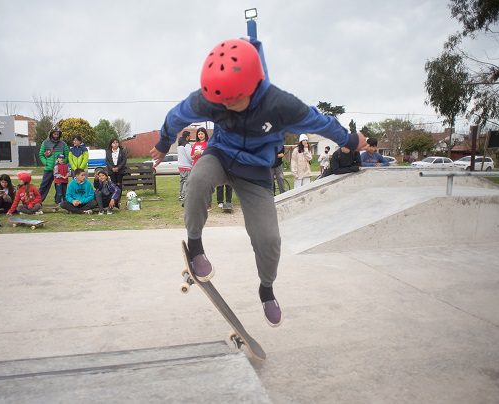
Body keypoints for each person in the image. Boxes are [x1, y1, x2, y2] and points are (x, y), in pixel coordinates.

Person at [150, 37, 367, 327]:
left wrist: (350, 139)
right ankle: (196, 246)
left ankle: (266, 290)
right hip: (221, 155)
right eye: (221, 102)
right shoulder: (211, 99)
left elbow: (320, 122)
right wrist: (164, 143)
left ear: (252, 87)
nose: (226, 106)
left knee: (268, 239)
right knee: (198, 179)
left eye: (233, 100)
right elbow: (176, 116)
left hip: (256, 173)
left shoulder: (281, 105)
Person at [38, 126, 69, 203]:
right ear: (51, 134)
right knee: (43, 186)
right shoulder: (45, 143)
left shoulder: (63, 144)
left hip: (60, 170)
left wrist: (62, 163)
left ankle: (60, 202)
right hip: (48, 169)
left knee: (60, 186)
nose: (56, 136)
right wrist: (46, 163)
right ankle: (38, 201)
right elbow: (41, 155)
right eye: (54, 134)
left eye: (57, 134)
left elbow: (67, 155)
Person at [106, 138, 127, 206]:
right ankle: (114, 198)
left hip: (120, 170)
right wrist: (112, 168)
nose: (115, 144)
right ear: (111, 144)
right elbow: (107, 161)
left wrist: (118, 167)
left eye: (116, 142)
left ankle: (119, 199)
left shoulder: (122, 151)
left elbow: (124, 161)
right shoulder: (108, 151)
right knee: (113, 185)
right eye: (113, 142)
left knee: (119, 184)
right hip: (112, 171)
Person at [177, 131, 193, 201]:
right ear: (187, 137)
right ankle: (184, 196)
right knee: (186, 181)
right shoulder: (187, 145)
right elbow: (190, 156)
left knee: (182, 181)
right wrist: (193, 161)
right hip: (186, 165)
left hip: (180, 165)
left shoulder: (179, 144)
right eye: (190, 136)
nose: (190, 137)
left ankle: (180, 195)